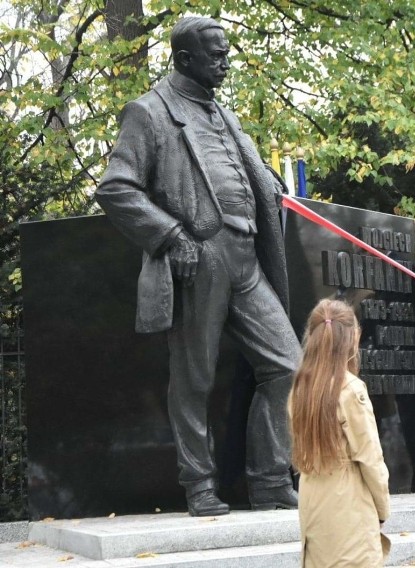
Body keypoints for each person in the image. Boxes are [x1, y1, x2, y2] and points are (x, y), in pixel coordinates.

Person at [95, 17, 301, 516]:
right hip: (199, 258)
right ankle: (199, 484)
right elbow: (115, 188)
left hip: (246, 258)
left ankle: (271, 479)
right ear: (185, 59)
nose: (225, 62)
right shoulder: (149, 113)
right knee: (194, 378)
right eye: (215, 55)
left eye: (226, 53)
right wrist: (169, 236)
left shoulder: (225, 116)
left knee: (290, 366)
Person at [289, 299, 391, 567]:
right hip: (348, 500)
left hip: (313, 496)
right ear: (351, 338)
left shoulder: (300, 387)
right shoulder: (351, 389)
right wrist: (382, 508)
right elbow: (370, 457)